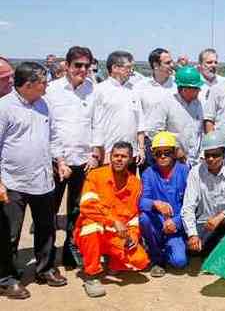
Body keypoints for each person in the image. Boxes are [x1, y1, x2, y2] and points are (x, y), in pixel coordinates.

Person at [0, 62, 67, 300]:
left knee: (46, 228)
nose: (47, 87)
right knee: (9, 233)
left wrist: (60, 161)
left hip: (42, 179)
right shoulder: (4, 108)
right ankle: (6, 279)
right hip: (12, 181)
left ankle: (45, 269)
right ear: (28, 85)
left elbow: (53, 137)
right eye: (43, 83)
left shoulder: (43, 105)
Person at [74, 141, 150, 298]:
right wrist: (112, 221)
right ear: (110, 156)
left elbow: (134, 217)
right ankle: (91, 275)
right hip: (93, 231)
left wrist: (134, 236)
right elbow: (87, 206)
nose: (119, 159)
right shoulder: (95, 175)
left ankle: (113, 261)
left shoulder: (135, 183)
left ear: (130, 159)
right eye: (116, 156)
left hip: (118, 234)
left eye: (124, 156)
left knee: (140, 260)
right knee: (91, 227)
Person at [46, 46, 97, 268]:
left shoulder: (93, 90)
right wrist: (59, 160)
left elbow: (97, 124)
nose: (83, 70)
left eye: (87, 65)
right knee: (49, 211)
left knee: (77, 210)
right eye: (78, 65)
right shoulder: (51, 90)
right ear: (66, 66)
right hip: (57, 162)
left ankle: (70, 250)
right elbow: (48, 128)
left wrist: (95, 153)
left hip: (84, 161)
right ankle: (46, 258)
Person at [182, 132, 225, 257]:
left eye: (215, 155)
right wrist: (192, 234)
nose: (210, 159)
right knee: (194, 250)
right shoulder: (195, 172)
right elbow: (188, 206)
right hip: (205, 223)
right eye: (207, 155)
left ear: (223, 154)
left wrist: (221, 216)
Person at [139, 132, 190, 277]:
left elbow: (191, 204)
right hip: (157, 222)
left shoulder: (184, 171)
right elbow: (142, 201)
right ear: (153, 154)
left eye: (166, 153)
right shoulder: (148, 173)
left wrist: (176, 222)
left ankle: (171, 246)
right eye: (158, 153)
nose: (162, 156)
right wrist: (155, 203)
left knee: (179, 262)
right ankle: (156, 259)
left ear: (174, 153)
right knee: (144, 218)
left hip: (177, 224)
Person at [91, 51, 145, 166]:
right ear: (115, 68)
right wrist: (100, 152)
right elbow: (96, 124)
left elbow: (140, 122)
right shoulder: (100, 90)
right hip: (108, 154)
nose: (131, 71)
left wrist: (141, 148)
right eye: (128, 67)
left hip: (131, 154)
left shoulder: (134, 90)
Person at [145, 66, 204, 167]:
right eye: (196, 88)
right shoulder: (166, 103)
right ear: (185, 89)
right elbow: (153, 131)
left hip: (193, 161)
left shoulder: (198, 105)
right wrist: (174, 149)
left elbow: (199, 133)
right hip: (172, 162)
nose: (199, 90)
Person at [135, 48, 177, 168]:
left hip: (172, 144)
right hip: (150, 144)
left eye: (171, 62)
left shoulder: (177, 85)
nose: (172, 65)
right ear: (155, 65)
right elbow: (138, 118)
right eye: (167, 63)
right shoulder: (140, 87)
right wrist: (141, 147)